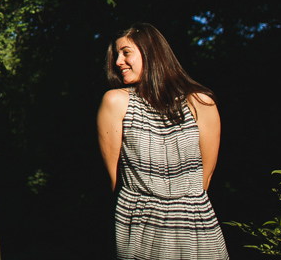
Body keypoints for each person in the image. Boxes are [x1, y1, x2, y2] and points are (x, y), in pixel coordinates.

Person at [97, 23, 229, 260]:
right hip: (141, 225)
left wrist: (178, 207)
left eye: (126, 52)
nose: (118, 61)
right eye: (116, 54)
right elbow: (116, 180)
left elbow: (205, 179)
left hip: (195, 225)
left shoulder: (201, 102)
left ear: (151, 52)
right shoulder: (116, 102)